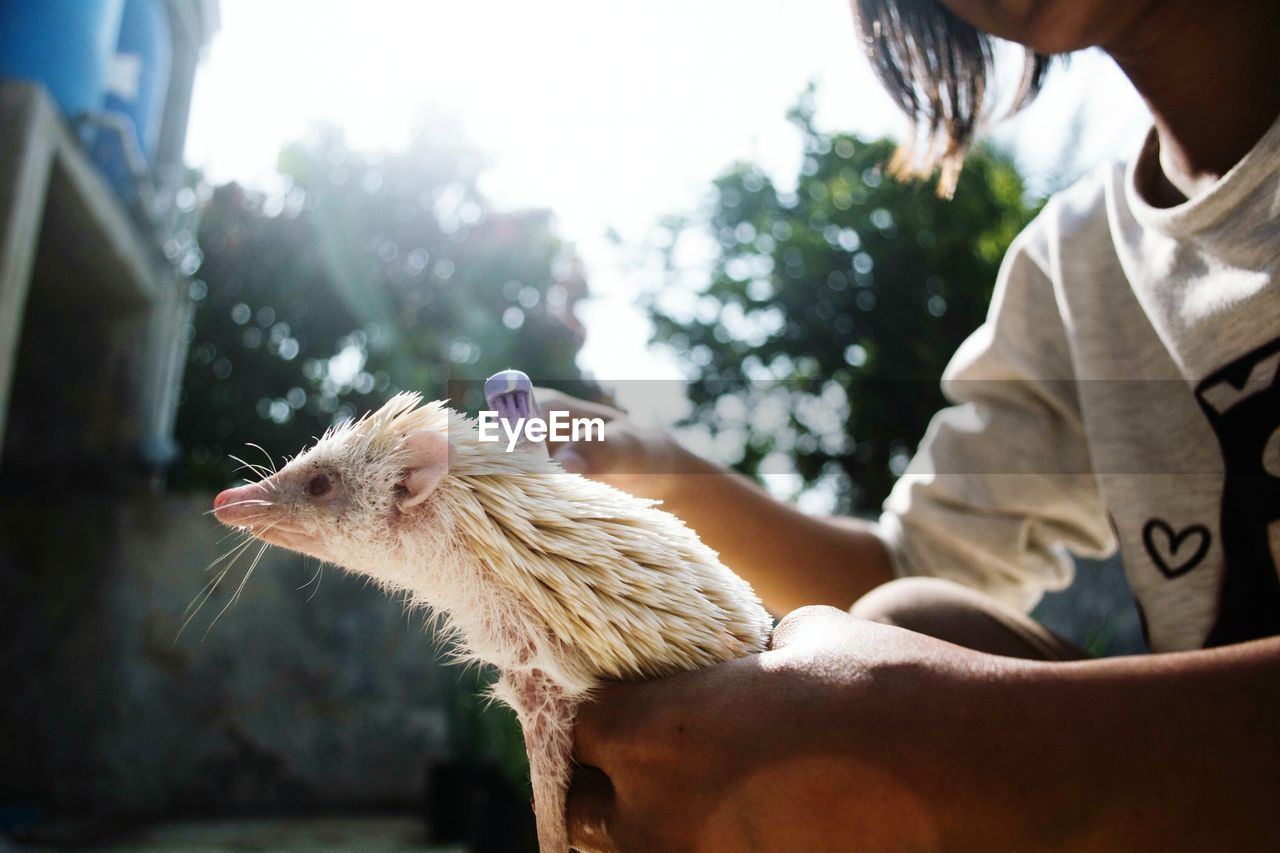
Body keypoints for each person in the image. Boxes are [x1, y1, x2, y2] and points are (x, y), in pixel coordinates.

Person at [542, 0, 1280, 849]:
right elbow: (909, 565)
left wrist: (970, 749)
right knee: (914, 615)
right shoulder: (1077, 269)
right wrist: (652, 466)